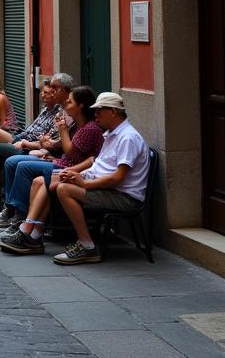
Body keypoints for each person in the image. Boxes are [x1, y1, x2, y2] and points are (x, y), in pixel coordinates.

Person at [0, 86, 103, 249]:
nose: (66, 103)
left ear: (81, 105)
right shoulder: (77, 124)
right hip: (61, 163)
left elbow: (72, 153)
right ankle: (29, 229)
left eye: (70, 101)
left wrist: (62, 130)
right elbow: (66, 149)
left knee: (26, 168)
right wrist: (49, 146)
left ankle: (23, 222)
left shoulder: (90, 128)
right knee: (26, 170)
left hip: (70, 168)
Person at [50, 91, 151, 265]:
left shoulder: (128, 137)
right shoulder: (110, 134)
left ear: (113, 111)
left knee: (64, 189)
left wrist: (85, 183)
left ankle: (87, 246)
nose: (95, 114)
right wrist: (78, 175)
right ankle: (34, 230)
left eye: (99, 110)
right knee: (57, 179)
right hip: (109, 189)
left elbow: (118, 178)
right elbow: (99, 166)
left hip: (124, 197)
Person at [0, 74, 73, 215]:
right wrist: (21, 140)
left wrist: (29, 143)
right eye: (44, 91)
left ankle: (2, 204)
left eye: (52, 89)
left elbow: (55, 144)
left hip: (38, 150)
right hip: (29, 143)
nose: (46, 94)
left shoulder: (64, 115)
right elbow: (39, 135)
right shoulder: (48, 110)